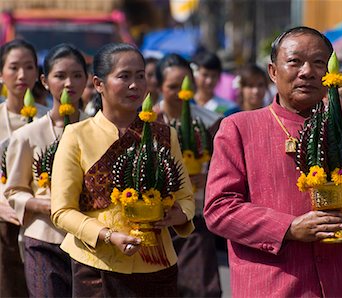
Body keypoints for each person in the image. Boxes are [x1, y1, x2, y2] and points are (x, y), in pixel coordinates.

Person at [204, 26, 342, 297]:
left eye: (318, 63)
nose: (308, 71)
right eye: (295, 61)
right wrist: (288, 228)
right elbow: (220, 209)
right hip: (273, 285)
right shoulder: (239, 128)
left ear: (330, 73)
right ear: (273, 71)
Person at [50, 43, 195, 297]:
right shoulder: (76, 135)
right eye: (124, 76)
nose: (135, 85)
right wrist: (106, 235)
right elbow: (62, 210)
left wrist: (178, 215)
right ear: (98, 84)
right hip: (96, 266)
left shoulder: (164, 134)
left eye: (141, 76)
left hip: (156, 267)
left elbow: (185, 196)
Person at [4, 44, 89, 297]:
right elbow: (14, 191)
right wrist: (42, 205)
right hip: (43, 239)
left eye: (76, 75)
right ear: (44, 80)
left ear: (88, 80)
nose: (68, 83)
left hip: (88, 240)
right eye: (60, 76)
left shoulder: (98, 130)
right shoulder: (27, 136)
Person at [155, 53, 222, 297]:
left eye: (186, 85)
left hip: (195, 216)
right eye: (172, 86)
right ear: (160, 86)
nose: (180, 92)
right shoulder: (147, 122)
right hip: (156, 221)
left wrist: (209, 178)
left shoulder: (211, 122)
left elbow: (227, 167)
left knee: (200, 289)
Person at [0, 39, 48, 298]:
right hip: (4, 222)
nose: (21, 75)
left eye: (29, 67)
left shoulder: (50, 118)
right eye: (13, 67)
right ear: (1, 73)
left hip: (43, 219)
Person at [192, 51, 238, 115]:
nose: (209, 81)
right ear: (195, 74)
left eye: (214, 76)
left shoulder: (229, 108)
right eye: (205, 75)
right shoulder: (186, 104)